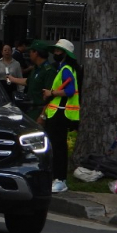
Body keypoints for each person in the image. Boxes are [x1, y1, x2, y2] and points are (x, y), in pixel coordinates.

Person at [43, 38, 79, 193]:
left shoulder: (66, 69)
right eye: (55, 51)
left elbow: (70, 91)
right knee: (57, 147)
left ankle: (60, 180)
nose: (55, 53)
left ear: (65, 54)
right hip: (57, 112)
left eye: (58, 51)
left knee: (58, 148)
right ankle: (57, 178)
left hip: (61, 112)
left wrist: (51, 93)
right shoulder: (62, 68)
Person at [7, 40, 56, 123]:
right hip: (31, 110)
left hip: (40, 111)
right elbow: (28, 81)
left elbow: (50, 96)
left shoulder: (49, 71)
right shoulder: (36, 68)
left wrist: (42, 116)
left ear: (36, 53)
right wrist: (12, 79)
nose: (29, 54)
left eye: (31, 52)